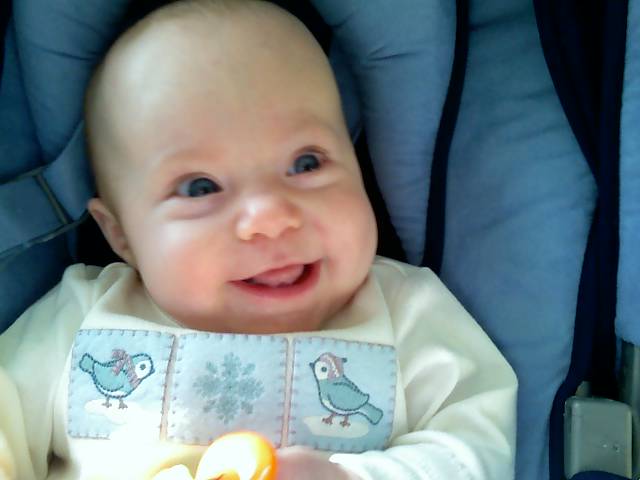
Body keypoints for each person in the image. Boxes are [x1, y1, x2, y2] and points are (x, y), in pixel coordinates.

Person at [0, 1, 517, 479]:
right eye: (200, 187)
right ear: (121, 235)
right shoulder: (80, 319)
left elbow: (475, 448)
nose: (270, 218)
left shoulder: (408, 312)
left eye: (306, 163)